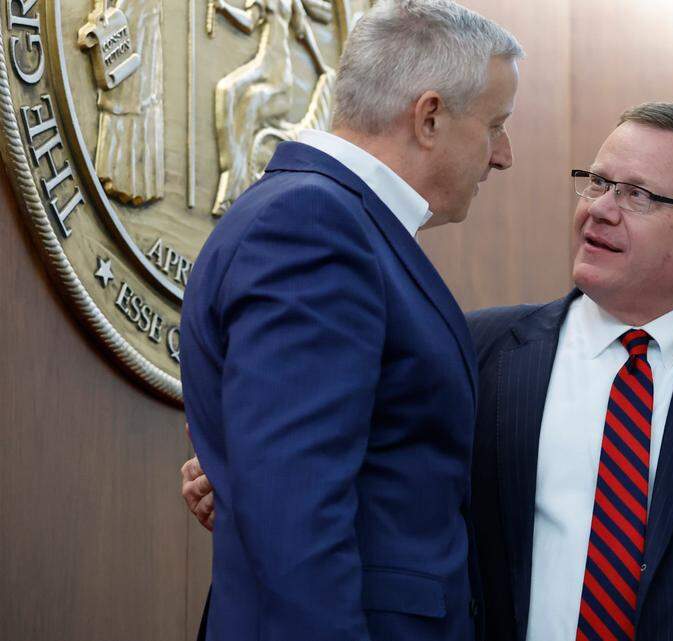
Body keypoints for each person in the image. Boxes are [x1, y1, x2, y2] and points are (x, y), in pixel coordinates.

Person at [184, 103, 673, 641]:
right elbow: (365, 482)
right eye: (596, 182)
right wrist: (244, 476)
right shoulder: (477, 347)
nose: (598, 209)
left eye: (639, 195)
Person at [179, 1, 522, 640]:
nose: (502, 154)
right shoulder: (313, 227)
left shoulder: (336, 221)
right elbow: (293, 512)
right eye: (496, 125)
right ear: (429, 116)